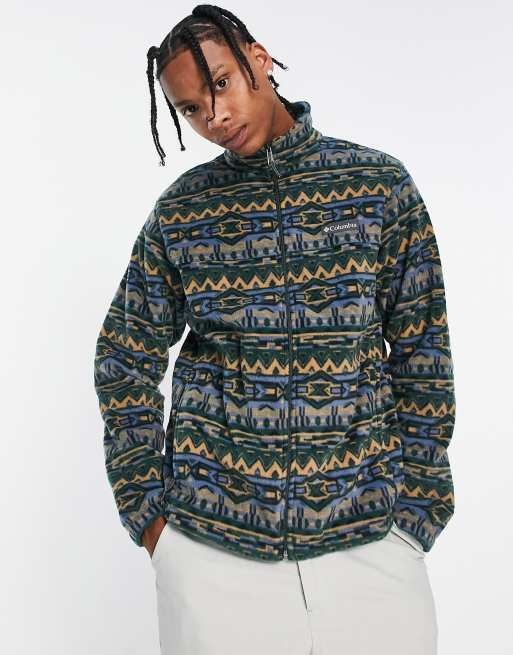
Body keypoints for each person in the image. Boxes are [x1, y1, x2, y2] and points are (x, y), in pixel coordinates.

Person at [93, 4, 456, 654]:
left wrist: (418, 506)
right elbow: (124, 354)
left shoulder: (376, 186)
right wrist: (150, 515)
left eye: (221, 84)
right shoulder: (183, 212)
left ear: (258, 59)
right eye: (189, 109)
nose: (213, 117)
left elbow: (422, 348)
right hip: (213, 550)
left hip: (372, 538)